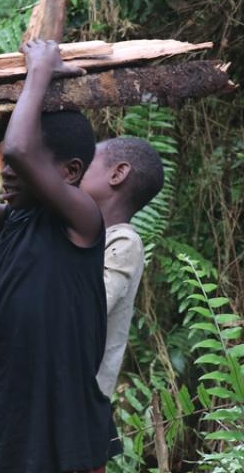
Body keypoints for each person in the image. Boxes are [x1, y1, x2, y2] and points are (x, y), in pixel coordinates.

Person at [0, 39, 119, 473]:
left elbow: (19, 151)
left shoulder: (82, 221)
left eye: (21, 168)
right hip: (14, 412)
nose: (7, 170)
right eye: (6, 163)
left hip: (63, 424)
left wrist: (38, 73)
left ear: (69, 173)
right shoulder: (13, 221)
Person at [79, 137, 164, 398]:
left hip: (80, 400)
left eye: (86, 162)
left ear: (118, 173)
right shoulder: (82, 234)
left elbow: (83, 312)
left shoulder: (124, 242)